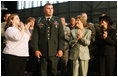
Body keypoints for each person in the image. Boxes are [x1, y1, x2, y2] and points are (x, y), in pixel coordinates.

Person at [32, 3, 64, 76]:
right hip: (42, 51)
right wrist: (36, 49)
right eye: (48, 8)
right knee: (42, 72)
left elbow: (61, 36)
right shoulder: (39, 20)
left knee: (53, 72)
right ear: (44, 10)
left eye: (51, 8)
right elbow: (35, 36)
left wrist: (60, 49)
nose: (50, 10)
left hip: (54, 51)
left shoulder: (57, 20)